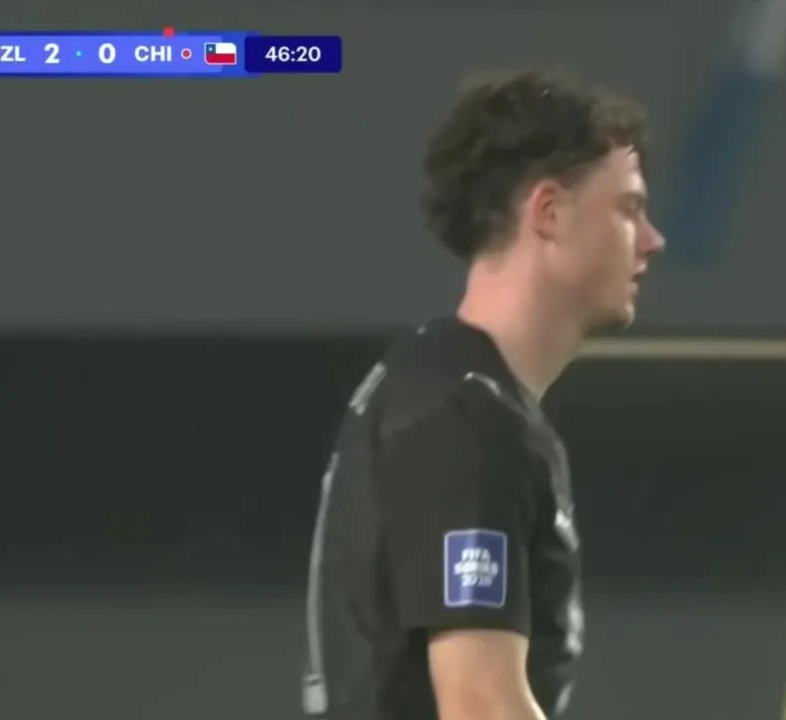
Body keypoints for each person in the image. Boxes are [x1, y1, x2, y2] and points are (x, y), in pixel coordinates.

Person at [300, 68, 664, 720]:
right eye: (630, 209)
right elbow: (481, 704)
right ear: (549, 213)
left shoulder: (452, 394)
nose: (652, 241)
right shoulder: (466, 416)